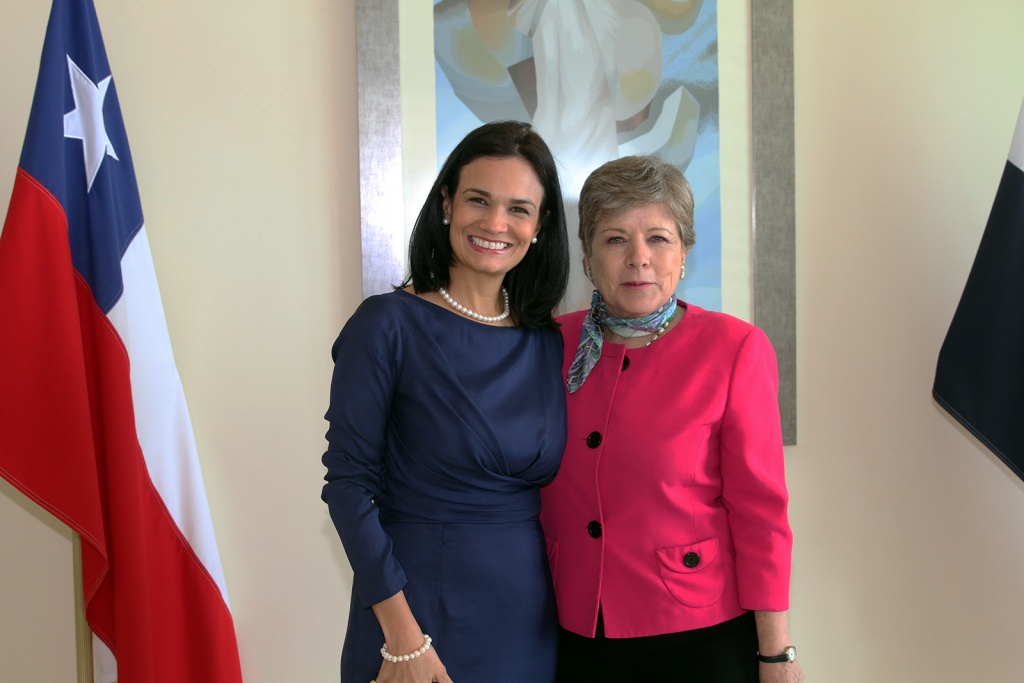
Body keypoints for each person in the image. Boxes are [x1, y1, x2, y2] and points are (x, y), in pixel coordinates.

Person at [322, 120, 570, 683]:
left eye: (518, 209)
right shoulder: (386, 325)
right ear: (445, 205)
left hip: (525, 623)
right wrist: (403, 639)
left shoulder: (547, 341)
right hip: (414, 620)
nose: (496, 224)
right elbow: (347, 486)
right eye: (478, 200)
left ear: (540, 225)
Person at [540, 155, 804, 682]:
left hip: (699, 636)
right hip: (570, 630)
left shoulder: (734, 349)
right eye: (615, 239)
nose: (638, 258)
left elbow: (760, 513)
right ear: (587, 256)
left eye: (658, 238)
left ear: (684, 252)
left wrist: (776, 653)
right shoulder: (547, 345)